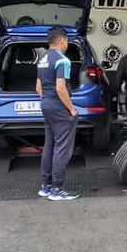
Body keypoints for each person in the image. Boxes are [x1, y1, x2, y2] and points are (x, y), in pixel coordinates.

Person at [35, 26, 79, 201]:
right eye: (67, 41)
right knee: (62, 148)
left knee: (49, 146)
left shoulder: (42, 60)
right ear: (62, 40)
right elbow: (61, 88)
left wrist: (48, 101)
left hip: (46, 106)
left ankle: (46, 186)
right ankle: (57, 189)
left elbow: (38, 87)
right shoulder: (63, 60)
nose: (67, 44)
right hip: (59, 108)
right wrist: (71, 108)